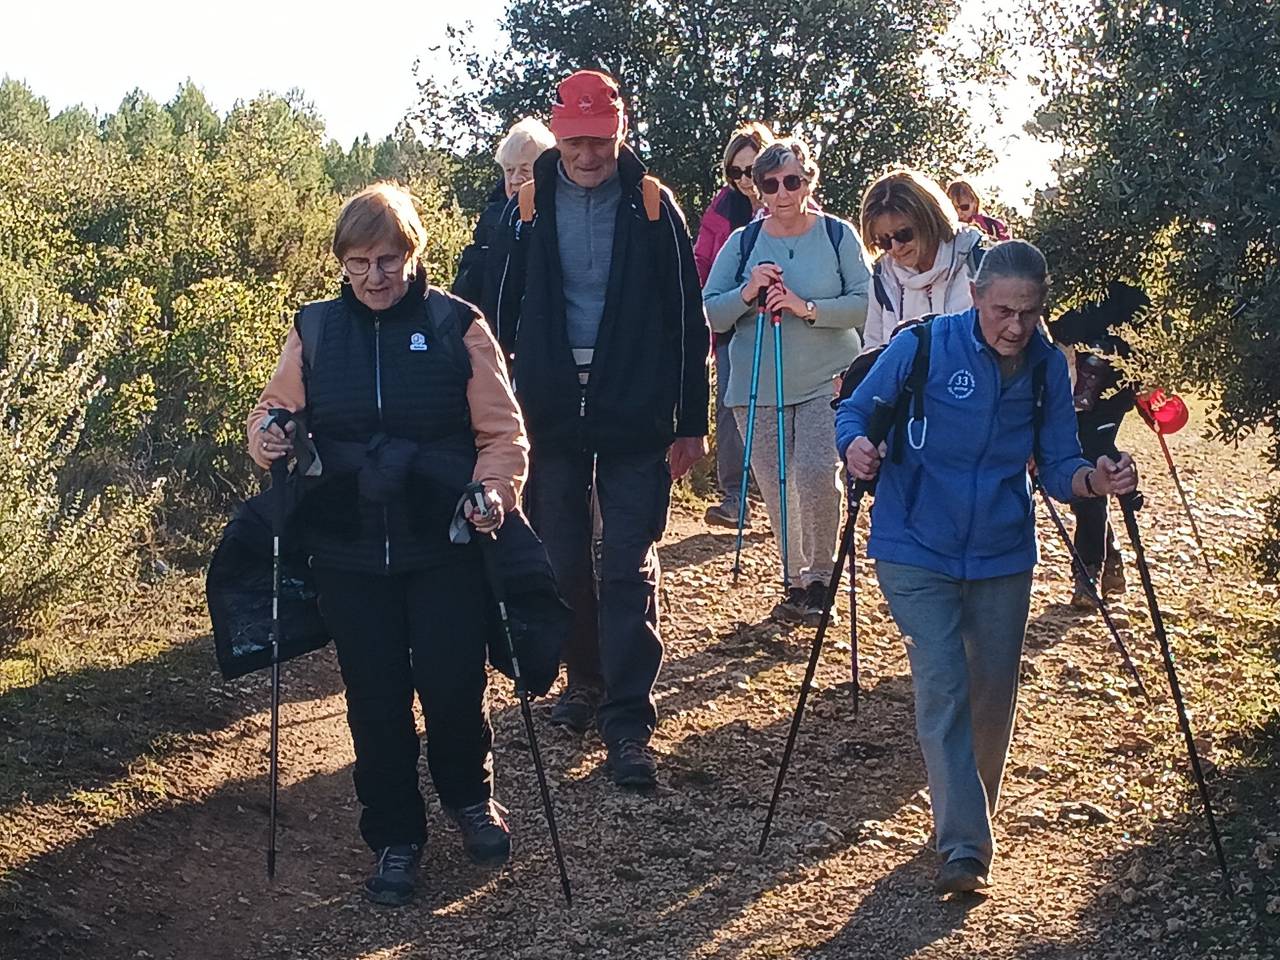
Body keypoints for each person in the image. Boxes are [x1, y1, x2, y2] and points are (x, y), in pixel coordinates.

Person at [248, 182, 529, 906]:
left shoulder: (456, 324)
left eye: (389, 259)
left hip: (443, 540)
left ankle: (470, 798)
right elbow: (273, 415)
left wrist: (495, 493)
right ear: (342, 263)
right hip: (345, 545)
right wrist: (270, 434)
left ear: (414, 254)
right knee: (373, 701)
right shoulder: (313, 329)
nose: (375, 275)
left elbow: (501, 433)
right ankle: (396, 836)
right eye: (360, 262)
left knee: (452, 685)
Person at [836, 240, 1138, 894]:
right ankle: (967, 848)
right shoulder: (922, 348)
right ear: (975, 296)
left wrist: (1096, 481)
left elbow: (1059, 465)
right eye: (1003, 310)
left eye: (1029, 313)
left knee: (992, 693)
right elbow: (856, 411)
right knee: (943, 682)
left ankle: (962, 819)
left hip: (1002, 552)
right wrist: (857, 446)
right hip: (913, 544)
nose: (1015, 326)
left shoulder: (1044, 369)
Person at [481, 70, 710, 788]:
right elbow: (490, 315)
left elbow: (686, 318)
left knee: (627, 562)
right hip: (549, 412)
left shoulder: (651, 204)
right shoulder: (526, 204)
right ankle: (584, 683)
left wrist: (691, 423)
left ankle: (628, 716)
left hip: (635, 414)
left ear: (620, 132)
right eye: (576, 141)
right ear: (559, 133)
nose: (587, 155)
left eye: (600, 141)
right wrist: (486, 414)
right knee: (562, 559)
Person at [703, 138, 870, 624]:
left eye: (792, 181)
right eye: (770, 184)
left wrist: (805, 308)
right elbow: (712, 314)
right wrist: (749, 290)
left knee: (817, 474)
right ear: (758, 189)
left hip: (829, 380)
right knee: (779, 487)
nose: (781, 193)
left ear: (809, 182)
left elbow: (864, 304)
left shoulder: (839, 236)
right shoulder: (743, 244)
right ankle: (795, 581)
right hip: (757, 389)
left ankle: (821, 579)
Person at [694, 121, 775, 529]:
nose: (744, 180)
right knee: (730, 407)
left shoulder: (790, 200)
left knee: (778, 407)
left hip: (781, 323)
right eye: (735, 172)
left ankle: (780, 497)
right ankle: (734, 497)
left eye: (750, 170)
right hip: (730, 321)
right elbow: (703, 260)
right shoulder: (722, 207)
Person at [860, 169, 987, 351]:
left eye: (904, 234)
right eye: (884, 241)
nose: (896, 247)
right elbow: (873, 347)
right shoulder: (883, 277)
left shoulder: (981, 261)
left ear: (930, 220)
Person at [452, 117, 556, 306]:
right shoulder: (491, 218)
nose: (516, 178)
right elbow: (463, 292)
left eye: (525, 169)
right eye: (509, 170)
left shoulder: (561, 215)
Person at [945, 178, 1011, 243]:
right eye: (954, 208)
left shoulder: (993, 225)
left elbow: (1008, 249)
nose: (959, 212)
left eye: (964, 207)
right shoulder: (946, 229)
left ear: (975, 203)